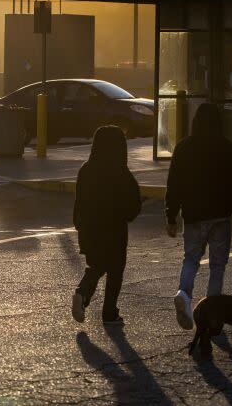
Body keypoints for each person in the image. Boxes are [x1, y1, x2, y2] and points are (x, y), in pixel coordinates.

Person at [165, 103, 232, 330]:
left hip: (193, 215)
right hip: (220, 216)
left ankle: (184, 294)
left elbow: (173, 185)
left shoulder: (183, 148)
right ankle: (212, 314)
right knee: (217, 266)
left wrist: (171, 215)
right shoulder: (228, 149)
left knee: (191, 259)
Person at [72, 125, 142, 325]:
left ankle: (83, 292)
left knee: (96, 264)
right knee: (115, 270)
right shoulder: (121, 172)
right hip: (114, 230)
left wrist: (78, 224)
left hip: (89, 230)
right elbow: (133, 205)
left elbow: (79, 202)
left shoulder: (86, 169)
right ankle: (109, 312)